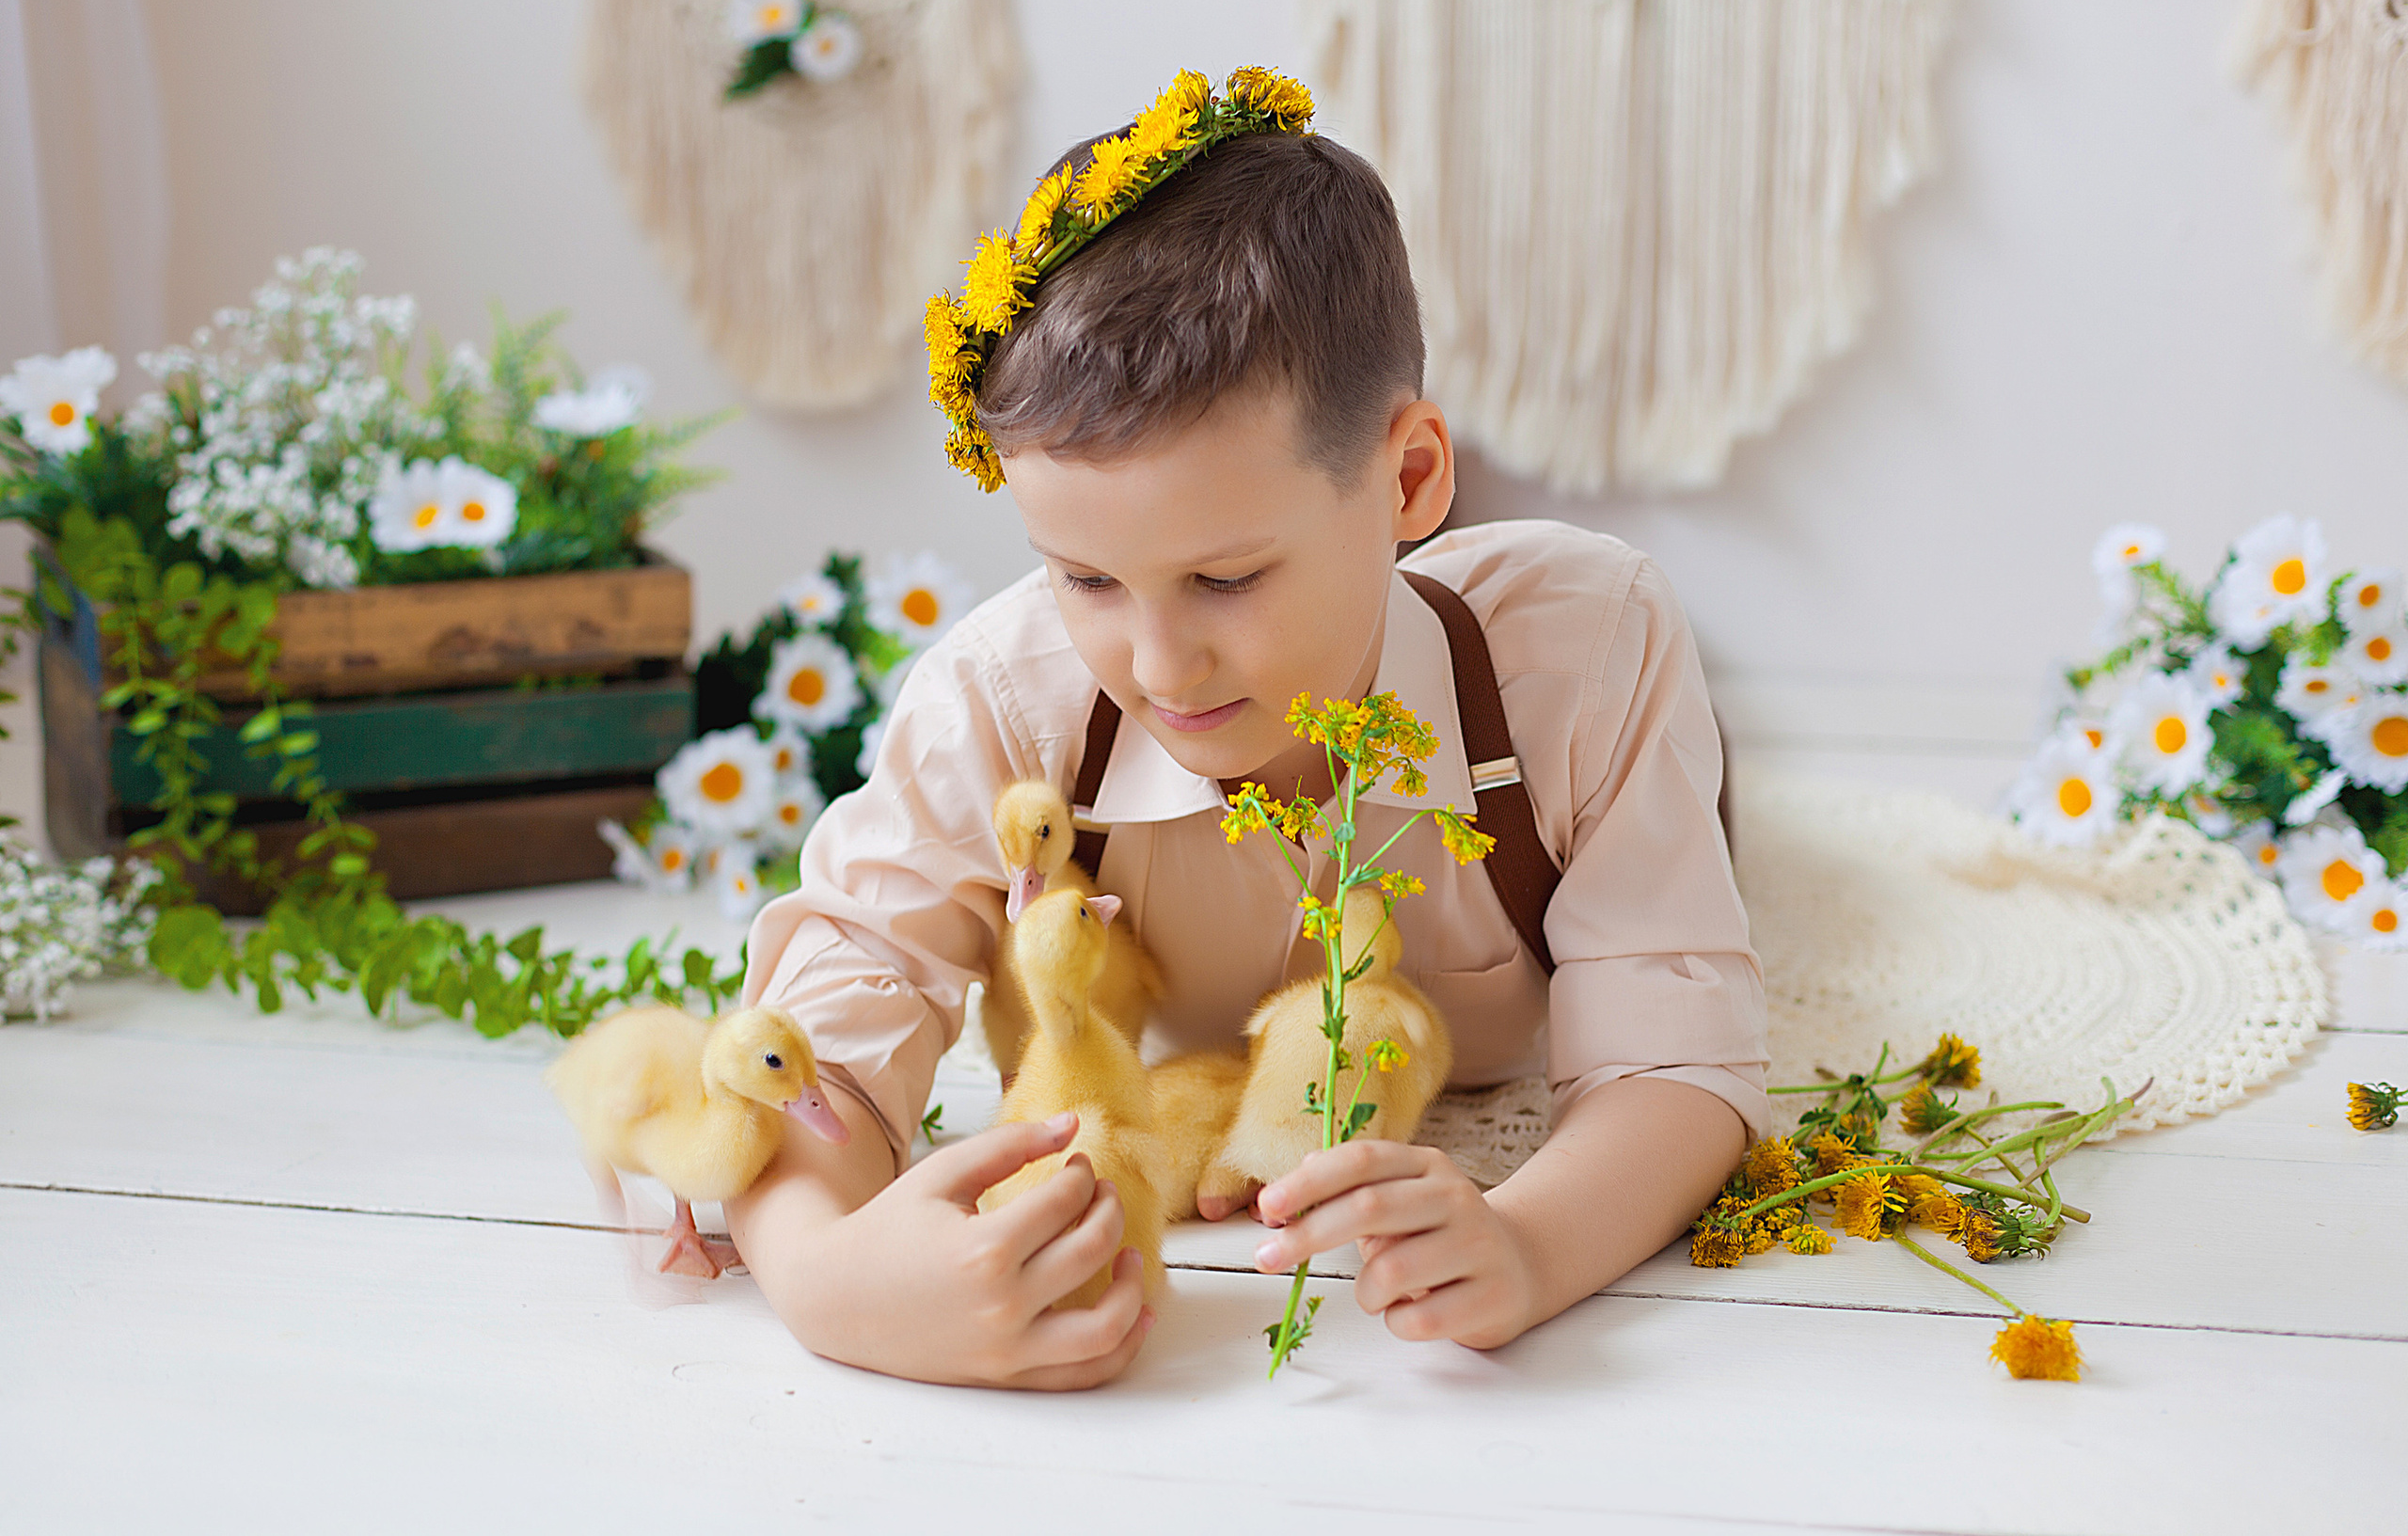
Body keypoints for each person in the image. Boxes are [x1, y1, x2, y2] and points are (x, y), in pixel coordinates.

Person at [725, 69, 1767, 1390]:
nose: (1158, 663)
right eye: (1088, 579)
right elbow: (824, 1016)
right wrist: (828, 1279)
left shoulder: (1586, 647)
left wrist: (1528, 1243)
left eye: (1226, 579)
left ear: (1409, 478)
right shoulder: (1001, 696)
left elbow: (1681, 1055)